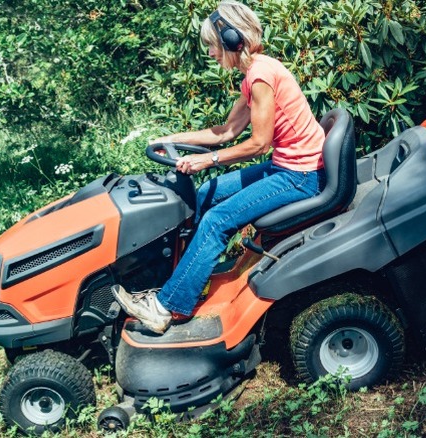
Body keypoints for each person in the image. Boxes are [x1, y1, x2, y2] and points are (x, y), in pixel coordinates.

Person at [112, 0, 326, 334]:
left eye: (212, 45)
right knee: (207, 193)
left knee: (216, 220)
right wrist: (169, 138)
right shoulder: (252, 74)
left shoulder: (260, 77)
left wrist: (206, 160)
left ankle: (165, 308)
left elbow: (258, 143)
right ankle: (185, 279)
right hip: (286, 166)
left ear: (231, 40)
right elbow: (225, 132)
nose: (211, 53)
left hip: (301, 175)